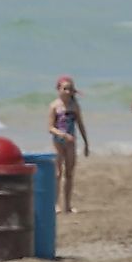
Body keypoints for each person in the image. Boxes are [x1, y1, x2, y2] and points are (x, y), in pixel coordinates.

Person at [47, 76, 89, 214]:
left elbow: (80, 125)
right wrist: (63, 135)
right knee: (57, 173)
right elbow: (50, 128)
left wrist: (86, 143)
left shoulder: (74, 106)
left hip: (71, 143)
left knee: (69, 174)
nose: (67, 92)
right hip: (58, 142)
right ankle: (55, 205)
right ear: (58, 89)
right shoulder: (54, 106)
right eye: (64, 89)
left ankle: (68, 205)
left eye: (70, 89)